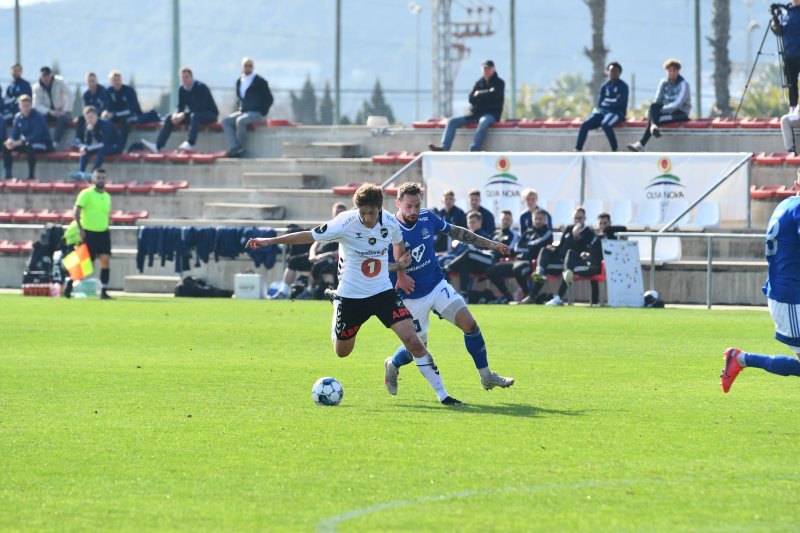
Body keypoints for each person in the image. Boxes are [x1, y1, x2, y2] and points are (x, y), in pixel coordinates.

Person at [247, 184, 463, 405]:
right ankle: (336, 304)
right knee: (342, 352)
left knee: (414, 342)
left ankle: (443, 396)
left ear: (380, 208)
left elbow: (398, 243)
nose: (368, 218)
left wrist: (400, 268)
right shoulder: (344, 222)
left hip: (382, 293)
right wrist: (269, 241)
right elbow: (308, 235)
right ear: (357, 209)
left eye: (372, 212)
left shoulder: (389, 222)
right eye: (363, 213)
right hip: (351, 297)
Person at [383, 182, 513, 394]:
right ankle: (393, 364)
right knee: (416, 348)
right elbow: (375, 265)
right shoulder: (388, 230)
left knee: (470, 325)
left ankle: (487, 376)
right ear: (398, 203)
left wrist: (491, 244)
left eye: (417, 205)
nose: (414, 211)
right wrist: (399, 269)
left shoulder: (427, 217)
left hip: (436, 285)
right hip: (409, 296)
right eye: (408, 206)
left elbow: (456, 232)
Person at [721, 171, 800, 393]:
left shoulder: (785, 205)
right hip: (791, 299)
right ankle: (742, 359)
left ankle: (741, 359)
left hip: (787, 292)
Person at [428, 59, 505, 152]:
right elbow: (471, 98)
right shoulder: (479, 83)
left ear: (493, 69)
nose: (486, 71)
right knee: (451, 121)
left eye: (488, 69)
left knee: (483, 122)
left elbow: (494, 96)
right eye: (484, 69)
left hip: (491, 114)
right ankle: (444, 147)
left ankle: (474, 149)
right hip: (475, 114)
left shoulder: (499, 83)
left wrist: (479, 94)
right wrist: (486, 94)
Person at [524, 206, 594, 305]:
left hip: (571, 261)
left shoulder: (589, 232)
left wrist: (576, 237)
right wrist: (553, 248)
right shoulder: (569, 228)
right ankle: (537, 280)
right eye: (576, 218)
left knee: (568, 269)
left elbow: (584, 251)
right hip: (559, 258)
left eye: (580, 218)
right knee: (545, 249)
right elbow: (562, 245)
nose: (578, 220)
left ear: (585, 218)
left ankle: (558, 298)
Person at [443, 209, 518, 297]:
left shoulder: (513, 234)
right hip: (483, 257)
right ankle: (464, 293)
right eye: (503, 219)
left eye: (507, 219)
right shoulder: (496, 234)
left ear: (512, 221)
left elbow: (511, 250)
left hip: (493, 260)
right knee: (465, 264)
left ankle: (447, 269)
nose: (505, 222)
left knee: (469, 253)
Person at [142, 67, 218, 153]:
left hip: (209, 114)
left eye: (187, 77)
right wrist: (176, 115)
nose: (185, 79)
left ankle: (189, 143)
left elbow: (199, 107)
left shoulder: (201, 87)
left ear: (191, 77)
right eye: (183, 77)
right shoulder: (182, 89)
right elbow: (180, 107)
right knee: (169, 118)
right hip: (193, 115)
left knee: (195, 116)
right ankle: (158, 146)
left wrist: (184, 114)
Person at [487, 208, 553, 303]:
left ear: (545, 220)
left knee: (517, 269)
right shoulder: (527, 232)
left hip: (530, 262)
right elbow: (517, 247)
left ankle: (527, 295)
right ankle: (507, 296)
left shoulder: (547, 232)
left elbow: (537, 245)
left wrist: (525, 247)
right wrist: (528, 247)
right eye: (536, 218)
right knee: (491, 271)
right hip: (517, 260)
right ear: (532, 219)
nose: (538, 221)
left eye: (540, 219)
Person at [627, 58, 691, 152]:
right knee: (653, 107)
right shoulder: (663, 83)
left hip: (680, 113)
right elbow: (657, 101)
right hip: (666, 112)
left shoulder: (684, 84)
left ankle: (642, 143)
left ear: (678, 71)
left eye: (674, 71)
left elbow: (677, 104)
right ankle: (650, 132)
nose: (672, 73)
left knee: (655, 118)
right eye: (670, 70)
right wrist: (653, 111)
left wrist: (657, 112)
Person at [69, 168, 113, 300]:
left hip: (103, 233)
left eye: (102, 177)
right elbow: (76, 211)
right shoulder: (86, 193)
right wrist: (80, 229)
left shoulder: (107, 196)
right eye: (98, 177)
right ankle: (69, 283)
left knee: (105, 260)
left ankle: (104, 290)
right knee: (86, 264)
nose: (100, 180)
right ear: (93, 179)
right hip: (89, 233)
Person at [221, 57, 273, 158]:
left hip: (256, 113)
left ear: (253, 67)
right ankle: (234, 146)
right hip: (243, 111)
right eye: (246, 65)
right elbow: (239, 98)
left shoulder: (260, 81)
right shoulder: (239, 81)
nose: (248, 67)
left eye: (250, 65)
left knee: (240, 121)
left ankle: (240, 147)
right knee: (225, 121)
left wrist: (262, 111)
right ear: (242, 67)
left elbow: (269, 99)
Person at [575, 62, 628, 152]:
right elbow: (600, 103)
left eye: (615, 71)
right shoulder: (604, 86)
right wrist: (612, 101)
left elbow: (619, 103)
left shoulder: (623, 86)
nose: (613, 73)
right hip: (603, 112)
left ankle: (615, 149)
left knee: (605, 125)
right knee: (585, 125)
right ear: (607, 72)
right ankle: (577, 149)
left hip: (616, 113)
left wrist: (607, 101)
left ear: (619, 73)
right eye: (611, 71)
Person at [3, 95, 53, 179]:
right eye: (23, 105)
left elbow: (36, 136)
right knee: (6, 146)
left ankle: (31, 176)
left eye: (27, 105)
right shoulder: (18, 117)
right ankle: (8, 175)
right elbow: (15, 134)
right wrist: (10, 141)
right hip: (26, 143)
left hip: (42, 144)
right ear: (19, 106)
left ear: (31, 105)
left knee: (28, 145)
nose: (25, 108)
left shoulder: (38, 117)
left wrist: (19, 142)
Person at [69, 106, 123, 180]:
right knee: (85, 149)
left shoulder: (105, 123)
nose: (89, 120)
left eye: (91, 117)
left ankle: (93, 172)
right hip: (100, 146)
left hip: (114, 146)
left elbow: (104, 142)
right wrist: (88, 133)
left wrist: (93, 135)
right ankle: (81, 172)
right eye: (87, 118)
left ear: (96, 115)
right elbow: (88, 143)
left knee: (101, 149)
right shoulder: (88, 126)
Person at [32, 66, 73, 147]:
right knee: (39, 119)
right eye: (44, 75)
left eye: (47, 75)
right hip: (48, 113)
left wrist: (64, 111)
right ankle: (41, 142)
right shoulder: (37, 88)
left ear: (51, 75)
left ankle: (55, 142)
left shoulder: (60, 82)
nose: (46, 78)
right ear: (40, 76)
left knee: (63, 119)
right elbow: (36, 104)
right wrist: (49, 111)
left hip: (62, 111)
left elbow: (70, 95)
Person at [103, 70, 144, 147]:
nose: (117, 82)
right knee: (105, 121)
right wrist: (105, 113)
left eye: (118, 79)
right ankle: (105, 144)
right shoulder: (108, 92)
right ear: (111, 82)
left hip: (131, 116)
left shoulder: (129, 91)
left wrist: (114, 114)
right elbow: (108, 107)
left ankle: (122, 145)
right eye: (114, 80)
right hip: (115, 116)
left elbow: (130, 110)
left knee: (124, 119)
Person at [772, 1, 800, 111]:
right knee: (791, 84)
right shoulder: (785, 13)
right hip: (790, 56)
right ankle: (793, 108)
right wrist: (774, 21)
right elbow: (779, 31)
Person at [74, 72, 110, 142]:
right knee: (80, 119)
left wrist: (97, 114)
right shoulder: (86, 95)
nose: (91, 83)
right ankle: (79, 141)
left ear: (96, 81)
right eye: (89, 81)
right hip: (90, 115)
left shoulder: (103, 92)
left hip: (101, 115)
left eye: (93, 81)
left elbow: (106, 107)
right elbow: (86, 110)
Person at [2, 63, 32, 141]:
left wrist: (13, 101)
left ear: (21, 71)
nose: (15, 72)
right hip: (10, 112)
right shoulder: (10, 86)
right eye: (14, 70)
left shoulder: (25, 84)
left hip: (20, 112)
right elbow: (6, 100)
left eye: (17, 70)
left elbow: (26, 100)